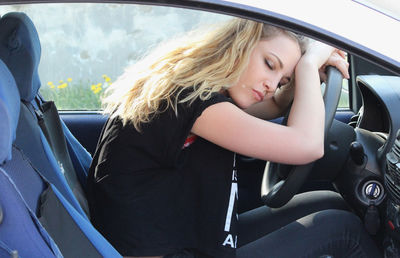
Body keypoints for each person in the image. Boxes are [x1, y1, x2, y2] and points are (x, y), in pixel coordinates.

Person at [87, 18, 381, 257]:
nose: (271, 85)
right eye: (269, 63)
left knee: (328, 203)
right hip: (170, 251)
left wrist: (300, 78)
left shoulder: (194, 91)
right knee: (341, 229)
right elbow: (308, 145)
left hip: (182, 238)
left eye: (282, 80)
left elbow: (275, 105)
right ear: (239, 45)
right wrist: (306, 65)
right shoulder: (192, 103)